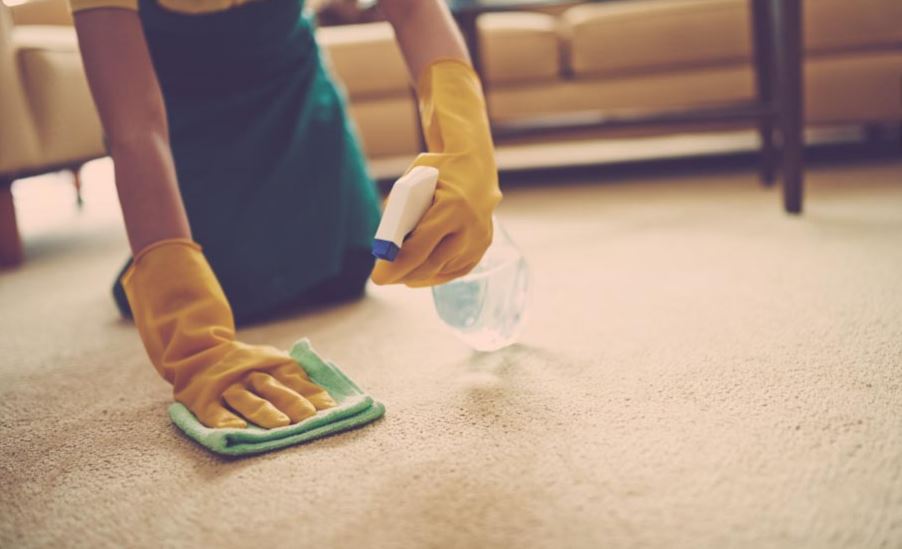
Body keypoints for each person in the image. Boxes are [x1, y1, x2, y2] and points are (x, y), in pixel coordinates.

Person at [71, 0, 501, 430]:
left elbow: (411, 9)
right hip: (184, 131)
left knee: (346, 267)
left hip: (296, 105)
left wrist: (466, 144)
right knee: (232, 282)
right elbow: (135, 131)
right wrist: (193, 340)